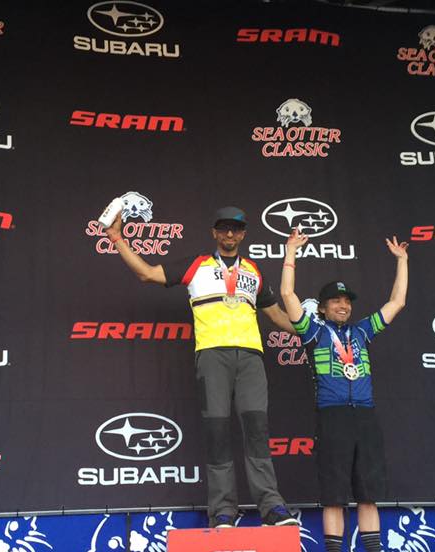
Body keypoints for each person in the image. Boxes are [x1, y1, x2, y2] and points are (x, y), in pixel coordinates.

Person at [106, 206, 298, 528]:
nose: (229, 234)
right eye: (223, 228)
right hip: (212, 357)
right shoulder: (197, 265)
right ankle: (223, 510)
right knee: (217, 432)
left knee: (257, 430)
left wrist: (312, 331)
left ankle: (272, 507)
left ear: (243, 234)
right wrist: (117, 238)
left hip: (250, 358)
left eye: (235, 229)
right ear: (214, 232)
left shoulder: (253, 270)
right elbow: (147, 273)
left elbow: (277, 315)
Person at [279, 229, 409, 552]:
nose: (343, 305)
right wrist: (290, 252)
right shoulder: (313, 332)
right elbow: (288, 295)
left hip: (364, 417)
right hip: (332, 417)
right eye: (335, 301)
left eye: (347, 301)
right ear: (322, 307)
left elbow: (397, 302)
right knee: (333, 497)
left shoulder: (362, 332)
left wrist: (402, 261)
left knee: (368, 495)